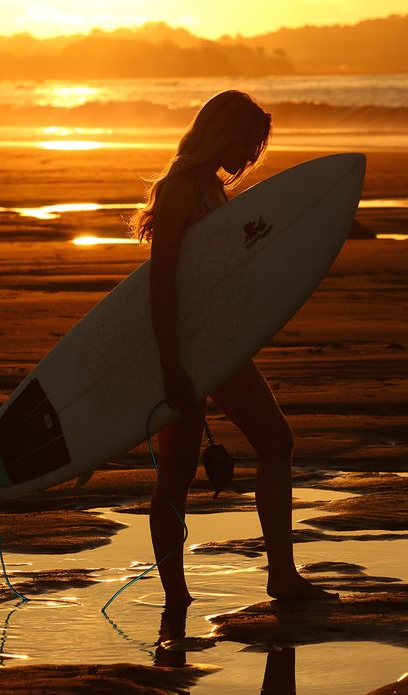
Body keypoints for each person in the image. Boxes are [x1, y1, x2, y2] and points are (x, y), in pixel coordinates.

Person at [130, 90, 339, 609]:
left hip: (220, 347)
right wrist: (169, 364)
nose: (250, 157)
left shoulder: (211, 190)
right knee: (177, 472)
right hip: (183, 349)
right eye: (248, 143)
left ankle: (282, 576)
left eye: (256, 147)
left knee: (276, 443)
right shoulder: (181, 190)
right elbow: (161, 284)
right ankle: (176, 595)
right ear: (222, 133)